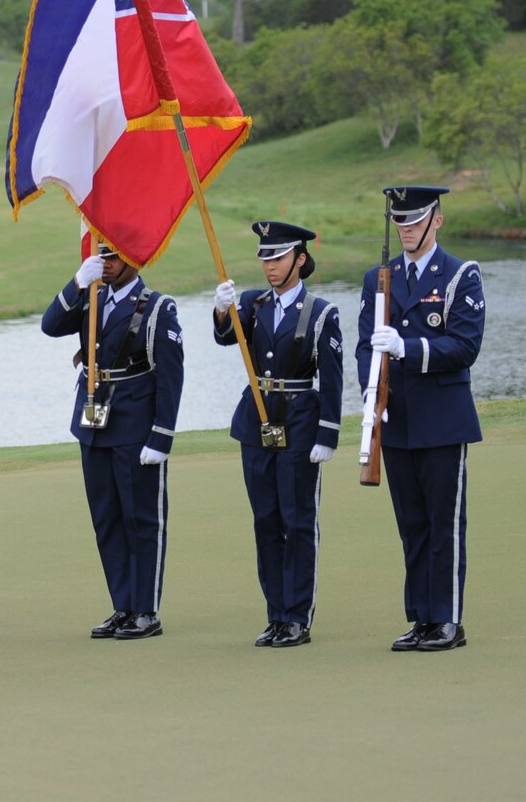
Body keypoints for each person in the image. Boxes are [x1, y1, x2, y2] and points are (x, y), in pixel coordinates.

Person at [357, 186, 485, 653]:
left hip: (442, 418)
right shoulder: (379, 278)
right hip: (396, 418)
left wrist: (407, 348)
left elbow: (465, 346)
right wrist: (371, 392)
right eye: (400, 221)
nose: (406, 229)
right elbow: (363, 346)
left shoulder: (459, 276)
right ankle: (420, 619)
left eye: (415, 220)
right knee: (411, 524)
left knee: (443, 522)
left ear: (437, 221)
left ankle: (447, 619)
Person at [40, 241, 184, 640]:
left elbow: (170, 376)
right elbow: (50, 326)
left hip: (136, 423)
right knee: (107, 520)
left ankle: (146, 610)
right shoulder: (90, 296)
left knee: (141, 520)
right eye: (101, 256)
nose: (105, 263)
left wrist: (162, 435)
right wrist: (76, 283)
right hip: (92, 421)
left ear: (134, 258)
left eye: (113, 256)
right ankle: (123, 606)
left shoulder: (157, 307)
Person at [212, 222, 344, 648]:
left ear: (299, 259)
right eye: (265, 258)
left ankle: (297, 618)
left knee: (297, 520)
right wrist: (220, 310)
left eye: (278, 257)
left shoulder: (321, 313)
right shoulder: (251, 306)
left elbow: (334, 379)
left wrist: (329, 433)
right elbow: (225, 337)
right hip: (257, 421)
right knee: (266, 521)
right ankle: (275, 615)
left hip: (302, 422)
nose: (270, 266)